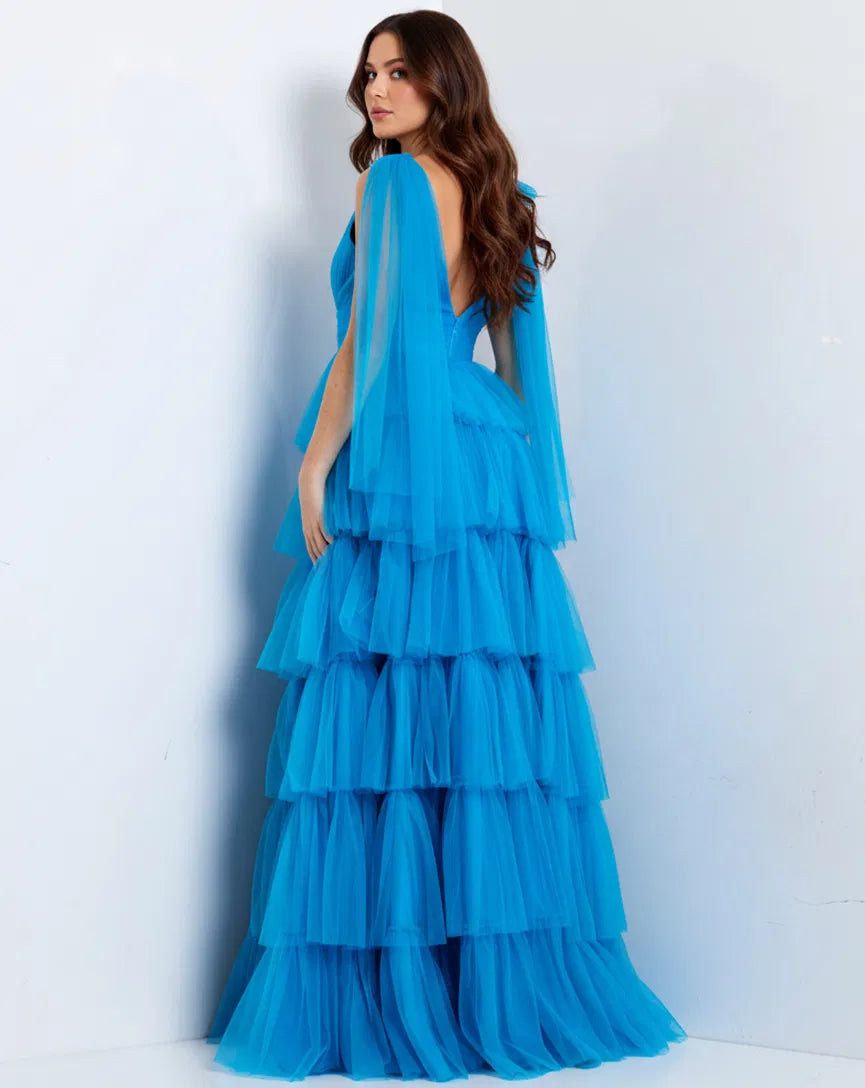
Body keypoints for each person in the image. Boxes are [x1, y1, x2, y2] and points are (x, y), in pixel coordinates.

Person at [206, 10, 687, 1080]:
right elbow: (519, 366)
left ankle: (398, 984)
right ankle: (491, 988)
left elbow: (366, 346)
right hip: (483, 457)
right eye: (368, 73)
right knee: (478, 717)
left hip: (400, 451)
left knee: (382, 716)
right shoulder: (506, 196)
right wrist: (514, 484)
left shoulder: (390, 185)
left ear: (443, 83)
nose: (376, 91)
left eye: (399, 73)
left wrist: (313, 463)